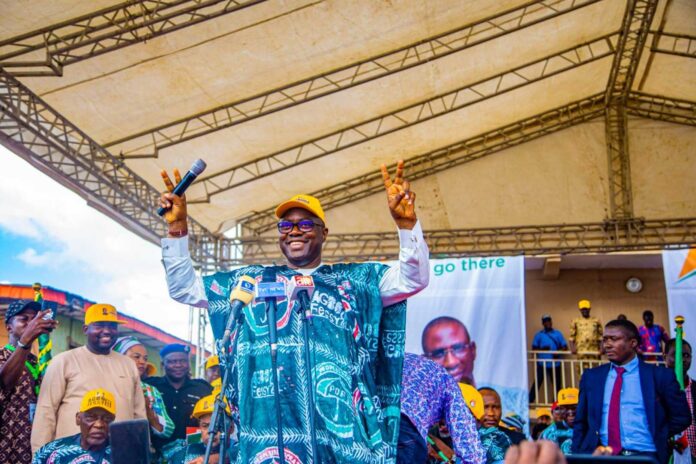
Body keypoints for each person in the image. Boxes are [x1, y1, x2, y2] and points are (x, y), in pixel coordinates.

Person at [158, 160, 429, 463]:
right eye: (286, 226)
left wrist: (407, 226)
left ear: (324, 233)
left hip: (340, 438)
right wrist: (176, 229)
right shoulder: (252, 281)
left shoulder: (353, 281)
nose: (294, 231)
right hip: (271, 436)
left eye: (304, 224)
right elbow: (184, 288)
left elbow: (412, 279)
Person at [572, 319, 690, 463]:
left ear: (633, 343)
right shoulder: (591, 377)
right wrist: (577, 454)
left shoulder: (660, 376)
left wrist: (658, 431)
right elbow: (580, 422)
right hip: (600, 456)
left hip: (646, 456)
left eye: (614, 339)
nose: (607, 345)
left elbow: (682, 417)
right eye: (605, 339)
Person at [31, 304, 146, 452]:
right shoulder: (64, 361)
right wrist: (39, 454)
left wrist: (141, 453)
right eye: (99, 325)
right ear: (85, 329)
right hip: (72, 454)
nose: (107, 331)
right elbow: (46, 411)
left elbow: (139, 414)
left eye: (112, 326)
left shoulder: (128, 364)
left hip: (119, 453)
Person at [399, 352, 484, 464]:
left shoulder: (398, 358)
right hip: (406, 428)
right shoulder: (446, 380)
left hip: (374, 422)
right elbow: (469, 446)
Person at [0, 300, 58, 464]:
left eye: (34, 319)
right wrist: (25, 340)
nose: (31, 323)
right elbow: (4, 383)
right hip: (5, 446)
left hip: (30, 445)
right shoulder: (2, 356)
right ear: (9, 327)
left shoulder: (37, 362)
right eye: (24, 319)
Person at [144, 343, 212, 456]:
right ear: (163, 364)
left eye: (183, 361)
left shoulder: (202, 388)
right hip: (155, 454)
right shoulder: (151, 386)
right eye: (172, 362)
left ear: (188, 364)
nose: (178, 365)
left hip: (192, 453)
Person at [112, 336, 175, 440]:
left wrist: (150, 414)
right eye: (136, 357)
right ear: (119, 358)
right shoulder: (104, 383)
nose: (142, 362)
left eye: (145, 358)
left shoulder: (150, 391)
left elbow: (168, 430)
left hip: (136, 448)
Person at [33, 388, 116, 464]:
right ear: (78, 418)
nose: (99, 425)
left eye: (107, 418)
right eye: (91, 417)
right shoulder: (50, 452)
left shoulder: (123, 453)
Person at [164, 394, 232, 464]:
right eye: (205, 426)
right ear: (199, 427)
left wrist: (212, 459)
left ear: (231, 427)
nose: (211, 431)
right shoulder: (185, 452)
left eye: (217, 426)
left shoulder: (240, 450)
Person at [459, 384, 511, 464]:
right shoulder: (457, 436)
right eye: (485, 407)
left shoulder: (504, 438)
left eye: (495, 407)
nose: (491, 413)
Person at [664, 338, 695, 459]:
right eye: (675, 355)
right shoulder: (654, 388)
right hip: (667, 456)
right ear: (665, 356)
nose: (681, 360)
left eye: (686, 355)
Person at [422, 316, 476, 385]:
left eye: (457, 348)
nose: (451, 363)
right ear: (425, 361)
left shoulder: (488, 394)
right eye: (438, 353)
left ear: (472, 350)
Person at [529, 314, 568, 403]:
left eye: (549, 321)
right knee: (538, 382)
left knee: (557, 384)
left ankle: (557, 402)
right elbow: (534, 348)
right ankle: (530, 400)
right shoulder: (539, 335)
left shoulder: (557, 334)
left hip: (555, 363)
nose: (548, 323)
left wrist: (557, 353)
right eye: (546, 321)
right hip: (542, 363)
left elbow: (565, 347)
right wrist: (543, 349)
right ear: (543, 323)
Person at [568, 299, 602, 374]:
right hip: (581, 352)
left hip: (594, 353)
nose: (584, 311)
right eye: (582, 309)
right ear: (580, 310)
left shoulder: (596, 321)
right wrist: (572, 348)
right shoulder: (575, 321)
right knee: (582, 374)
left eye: (586, 309)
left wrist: (602, 349)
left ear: (589, 309)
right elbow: (571, 337)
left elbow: (600, 337)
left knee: (595, 372)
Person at [540, 388, 577, 454]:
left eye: (574, 407)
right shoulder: (549, 433)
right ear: (560, 409)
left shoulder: (590, 430)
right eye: (566, 408)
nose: (570, 412)